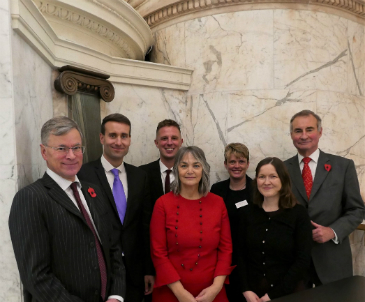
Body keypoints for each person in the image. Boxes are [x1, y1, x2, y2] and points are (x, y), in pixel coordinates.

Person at [9, 116, 125, 302]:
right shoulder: (31, 198)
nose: (71, 155)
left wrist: (116, 295)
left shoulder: (93, 190)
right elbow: (36, 277)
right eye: (61, 148)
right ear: (44, 152)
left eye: (76, 148)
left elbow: (113, 248)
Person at [78, 113, 154, 302]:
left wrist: (148, 269)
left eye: (124, 136)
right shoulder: (83, 174)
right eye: (113, 135)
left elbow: (145, 227)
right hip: (98, 269)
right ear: (102, 138)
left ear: (129, 139)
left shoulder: (140, 176)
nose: (118, 142)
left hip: (134, 273)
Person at [284, 110, 365, 286]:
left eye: (309, 129)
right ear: (291, 135)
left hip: (332, 260)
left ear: (320, 132)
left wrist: (333, 231)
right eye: (298, 131)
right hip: (292, 263)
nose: (304, 135)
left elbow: (357, 209)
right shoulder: (281, 170)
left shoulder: (343, 166)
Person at [150, 146, 234, 302]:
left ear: (204, 169)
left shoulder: (218, 203)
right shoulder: (162, 204)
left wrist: (215, 289)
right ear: (176, 170)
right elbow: (158, 252)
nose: (190, 171)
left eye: (196, 165)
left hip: (212, 293)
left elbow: (226, 249)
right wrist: (181, 294)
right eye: (184, 165)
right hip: (171, 293)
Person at [237, 157, 312, 302]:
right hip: (252, 296)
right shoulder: (247, 213)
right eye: (262, 177)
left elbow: (302, 260)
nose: (266, 182)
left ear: (283, 180)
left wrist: (272, 296)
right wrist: (245, 289)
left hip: (289, 294)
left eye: (273, 176)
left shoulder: (299, 214)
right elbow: (240, 255)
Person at [210, 143, 252, 302]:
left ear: (248, 164)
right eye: (232, 162)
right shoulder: (217, 190)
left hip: (249, 260)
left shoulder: (256, 190)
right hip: (222, 260)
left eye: (241, 161)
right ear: (225, 164)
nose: (237, 166)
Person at [140, 119, 183, 207]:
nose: (169, 143)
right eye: (164, 138)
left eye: (174, 138)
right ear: (156, 143)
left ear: (180, 142)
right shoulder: (141, 174)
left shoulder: (190, 174)